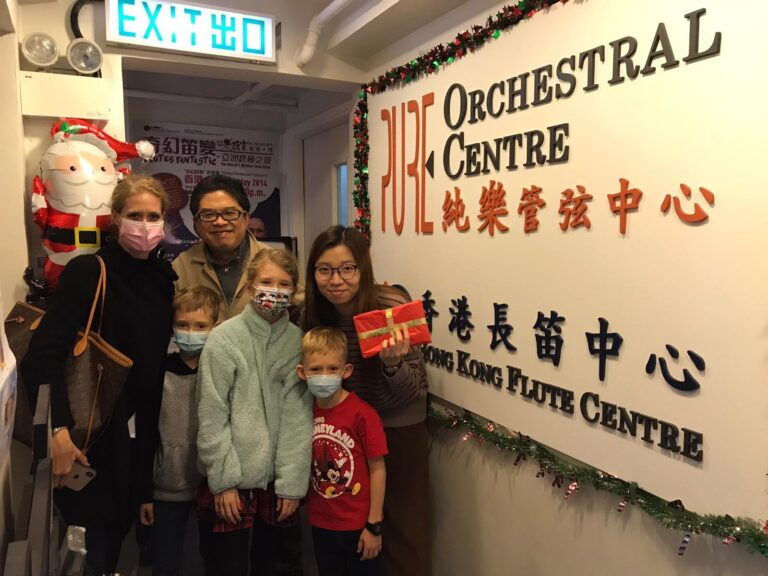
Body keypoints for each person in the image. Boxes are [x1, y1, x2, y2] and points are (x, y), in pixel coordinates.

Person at [21, 174, 175, 576]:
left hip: (140, 448)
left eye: (153, 216)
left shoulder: (163, 281)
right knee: (91, 556)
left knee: (130, 555)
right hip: (92, 439)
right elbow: (44, 355)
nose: (144, 225)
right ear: (116, 219)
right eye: (134, 215)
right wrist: (58, 432)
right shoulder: (90, 270)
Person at [302, 225, 430, 576]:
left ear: (363, 268)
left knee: (403, 525)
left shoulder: (391, 307)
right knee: (346, 521)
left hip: (396, 428)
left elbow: (415, 390)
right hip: (342, 427)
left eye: (347, 268)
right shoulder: (312, 311)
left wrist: (393, 364)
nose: (335, 280)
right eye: (324, 269)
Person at [196, 248, 313, 576]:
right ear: (249, 287)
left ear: (293, 292)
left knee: (278, 564)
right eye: (266, 282)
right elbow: (212, 413)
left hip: (277, 482)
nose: (274, 290)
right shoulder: (223, 340)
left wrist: (291, 482)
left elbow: (298, 417)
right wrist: (223, 480)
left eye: (283, 284)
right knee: (224, 564)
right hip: (232, 478)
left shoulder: (298, 343)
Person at [297, 327, 387, 576]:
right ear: (302, 373)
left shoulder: (363, 415)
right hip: (321, 523)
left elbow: (378, 469)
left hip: (360, 526)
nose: (324, 375)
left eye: (332, 369)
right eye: (316, 369)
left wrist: (374, 525)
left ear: (346, 371)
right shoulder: (303, 410)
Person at [146, 286, 220, 576]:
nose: (191, 332)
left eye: (201, 326)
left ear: (216, 326)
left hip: (211, 486)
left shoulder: (219, 371)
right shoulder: (159, 371)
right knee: (166, 562)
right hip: (167, 486)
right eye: (183, 325)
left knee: (214, 559)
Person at [173, 174, 266, 321]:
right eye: (208, 215)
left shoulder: (273, 261)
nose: (220, 222)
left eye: (229, 213)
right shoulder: (181, 267)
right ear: (196, 224)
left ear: (246, 218)